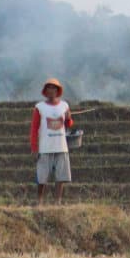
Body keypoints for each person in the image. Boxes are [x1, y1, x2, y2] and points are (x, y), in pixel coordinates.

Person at [30, 77, 73, 206]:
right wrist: (34, 147)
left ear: (58, 91)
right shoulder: (40, 107)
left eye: (54, 88)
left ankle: (57, 202)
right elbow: (34, 128)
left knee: (61, 177)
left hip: (61, 146)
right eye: (49, 88)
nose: (51, 90)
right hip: (45, 147)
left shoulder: (64, 105)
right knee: (42, 177)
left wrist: (69, 119)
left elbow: (69, 123)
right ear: (45, 90)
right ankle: (39, 202)